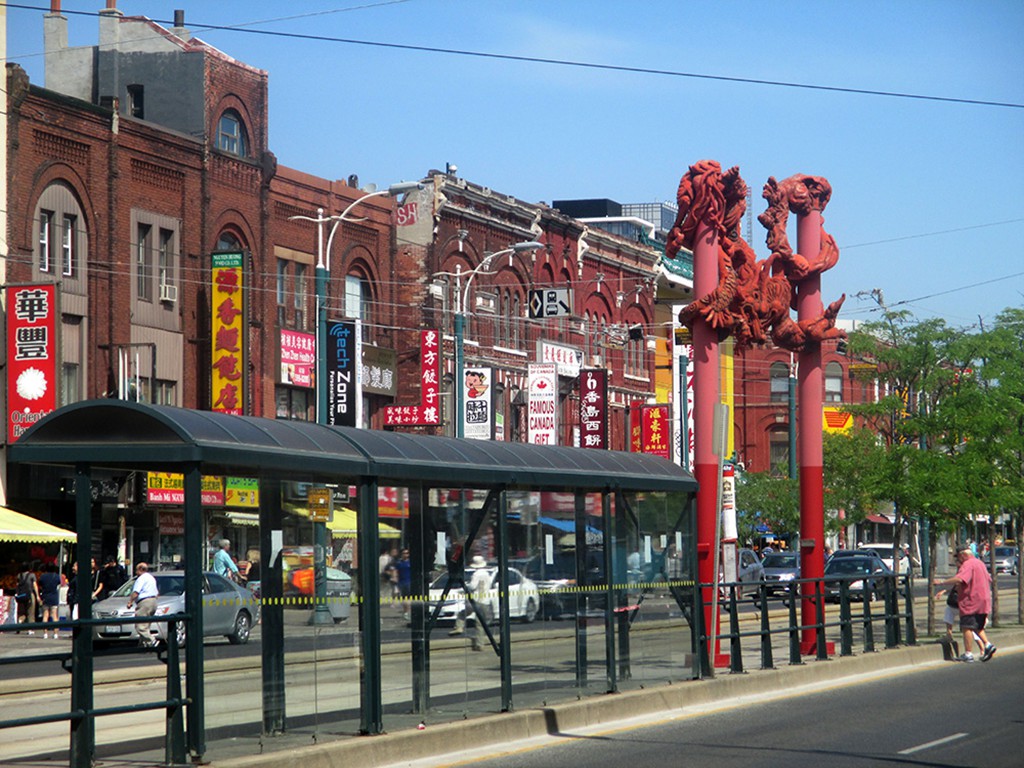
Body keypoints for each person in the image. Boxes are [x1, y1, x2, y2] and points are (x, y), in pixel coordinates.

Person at [933, 544, 996, 662]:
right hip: (984, 600)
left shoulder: (968, 564)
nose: (958, 560)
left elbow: (960, 579)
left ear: (963, 555)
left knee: (966, 627)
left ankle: (968, 653)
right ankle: (988, 645)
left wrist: (942, 582)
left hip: (971, 600)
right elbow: (989, 579)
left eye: (958, 557)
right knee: (977, 625)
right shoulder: (980, 563)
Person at [126, 562, 160, 647]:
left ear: (140, 569)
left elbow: (136, 592)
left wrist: (130, 602)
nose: (135, 572)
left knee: (140, 625)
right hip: (153, 601)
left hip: (144, 602)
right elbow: (157, 593)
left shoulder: (141, 578)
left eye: (136, 570)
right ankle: (143, 645)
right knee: (146, 625)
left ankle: (152, 641)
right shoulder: (151, 578)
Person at [38, 563, 62, 639]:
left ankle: (45, 633)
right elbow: (59, 583)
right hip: (54, 596)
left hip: (45, 596)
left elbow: (40, 585)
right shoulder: (56, 576)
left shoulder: (43, 576)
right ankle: (55, 634)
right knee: (54, 616)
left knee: (45, 615)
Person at [16, 562, 40, 634]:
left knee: (21, 612)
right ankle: (30, 629)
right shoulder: (32, 575)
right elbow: (35, 585)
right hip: (30, 595)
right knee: (30, 612)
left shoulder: (19, 576)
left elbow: (17, 585)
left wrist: (17, 594)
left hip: (21, 595)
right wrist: (37, 595)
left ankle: (19, 622)